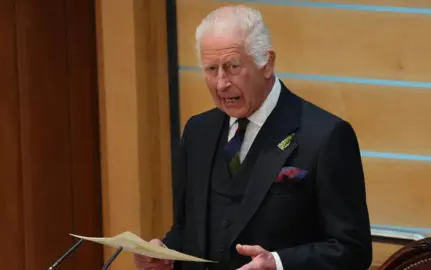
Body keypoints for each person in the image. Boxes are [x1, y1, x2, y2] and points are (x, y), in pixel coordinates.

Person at [134, 5, 372, 270]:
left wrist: (279, 264)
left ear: (266, 63)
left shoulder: (325, 136)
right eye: (211, 69)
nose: (221, 83)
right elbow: (187, 229)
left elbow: (352, 250)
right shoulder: (197, 132)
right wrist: (167, 252)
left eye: (232, 66)